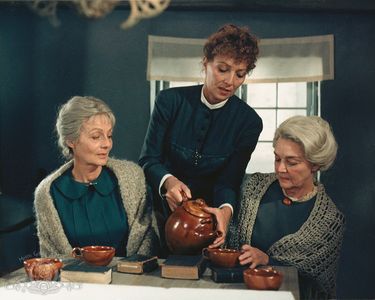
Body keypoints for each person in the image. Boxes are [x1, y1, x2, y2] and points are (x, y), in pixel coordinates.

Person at [139, 24, 263, 252]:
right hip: (157, 215)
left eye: (240, 74)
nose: (230, 81)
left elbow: (229, 181)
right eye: (222, 69)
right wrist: (168, 182)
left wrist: (225, 212)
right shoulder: (169, 101)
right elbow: (148, 160)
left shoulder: (250, 123)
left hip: (207, 222)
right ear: (205, 63)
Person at [228, 115, 345, 299]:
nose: (281, 168)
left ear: (314, 164)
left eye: (292, 162)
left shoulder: (329, 221)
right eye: (277, 159)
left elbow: (315, 285)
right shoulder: (251, 187)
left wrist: (267, 260)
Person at [34, 96, 159, 257]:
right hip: (75, 280)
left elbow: (147, 242)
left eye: (109, 135)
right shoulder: (47, 194)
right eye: (96, 136)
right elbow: (52, 258)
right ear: (71, 140)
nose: (106, 144)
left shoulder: (133, 178)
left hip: (130, 278)